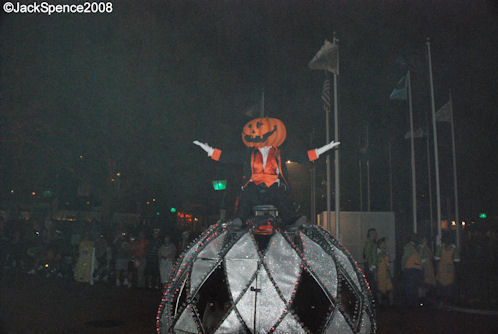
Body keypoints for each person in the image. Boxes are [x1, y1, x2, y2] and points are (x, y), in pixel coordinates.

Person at [193, 117, 340, 228]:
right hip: (254, 189)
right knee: (247, 193)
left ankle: (291, 219)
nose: (257, 132)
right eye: (253, 128)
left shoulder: (280, 153)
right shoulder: (249, 153)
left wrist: (324, 149)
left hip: (272, 189)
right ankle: (240, 218)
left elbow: (303, 156)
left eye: (260, 128)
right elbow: (228, 156)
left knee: (280, 194)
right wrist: (209, 150)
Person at [435, 233, 460, 304]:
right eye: (445, 239)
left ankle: (448, 305)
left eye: (448, 239)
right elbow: (436, 260)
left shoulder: (454, 249)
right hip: (441, 272)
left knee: (449, 290)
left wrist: (457, 274)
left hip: (450, 273)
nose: (446, 241)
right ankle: (441, 303)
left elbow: (457, 262)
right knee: (441, 291)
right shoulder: (440, 248)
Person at [401, 233, 423, 307]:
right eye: (414, 237)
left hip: (417, 269)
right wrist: (403, 267)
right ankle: (410, 303)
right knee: (410, 287)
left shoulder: (417, 247)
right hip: (410, 269)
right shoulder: (408, 247)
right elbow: (404, 258)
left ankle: (414, 302)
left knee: (415, 286)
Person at [375, 237, 393, 306]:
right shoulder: (377, 254)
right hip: (380, 273)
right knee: (380, 289)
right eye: (383, 243)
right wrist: (375, 274)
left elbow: (388, 264)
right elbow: (375, 264)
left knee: (390, 288)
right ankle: (380, 303)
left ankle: (391, 304)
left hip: (386, 273)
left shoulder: (386, 253)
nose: (384, 245)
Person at [419, 236, 436, 301]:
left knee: (428, 283)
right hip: (424, 269)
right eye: (424, 240)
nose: (426, 242)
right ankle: (421, 298)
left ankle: (426, 298)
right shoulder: (420, 248)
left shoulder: (427, 248)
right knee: (423, 283)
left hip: (429, 268)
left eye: (426, 240)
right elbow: (421, 259)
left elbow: (431, 256)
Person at [363, 228, 378, 294]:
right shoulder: (370, 244)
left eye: (375, 233)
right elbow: (368, 256)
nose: (374, 235)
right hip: (370, 267)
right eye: (372, 233)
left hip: (372, 266)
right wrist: (372, 267)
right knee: (371, 284)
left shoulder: (373, 244)